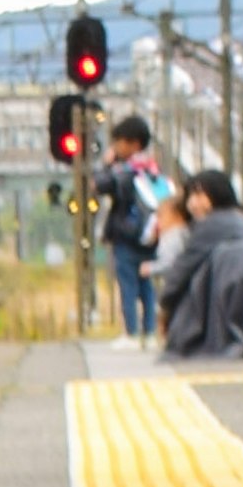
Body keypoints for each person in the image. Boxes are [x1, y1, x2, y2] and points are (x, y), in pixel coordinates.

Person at [155, 160, 243, 358]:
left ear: (217, 194)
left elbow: (182, 269)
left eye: (199, 195)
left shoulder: (212, 224)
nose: (193, 203)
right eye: (190, 197)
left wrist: (164, 306)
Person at [100, 112, 167, 341]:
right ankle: (148, 331)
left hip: (126, 235)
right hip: (149, 234)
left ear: (132, 143)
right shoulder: (152, 167)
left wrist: (107, 165)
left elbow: (101, 185)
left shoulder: (125, 169)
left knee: (127, 284)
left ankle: (130, 332)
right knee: (146, 284)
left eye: (118, 142)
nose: (115, 147)